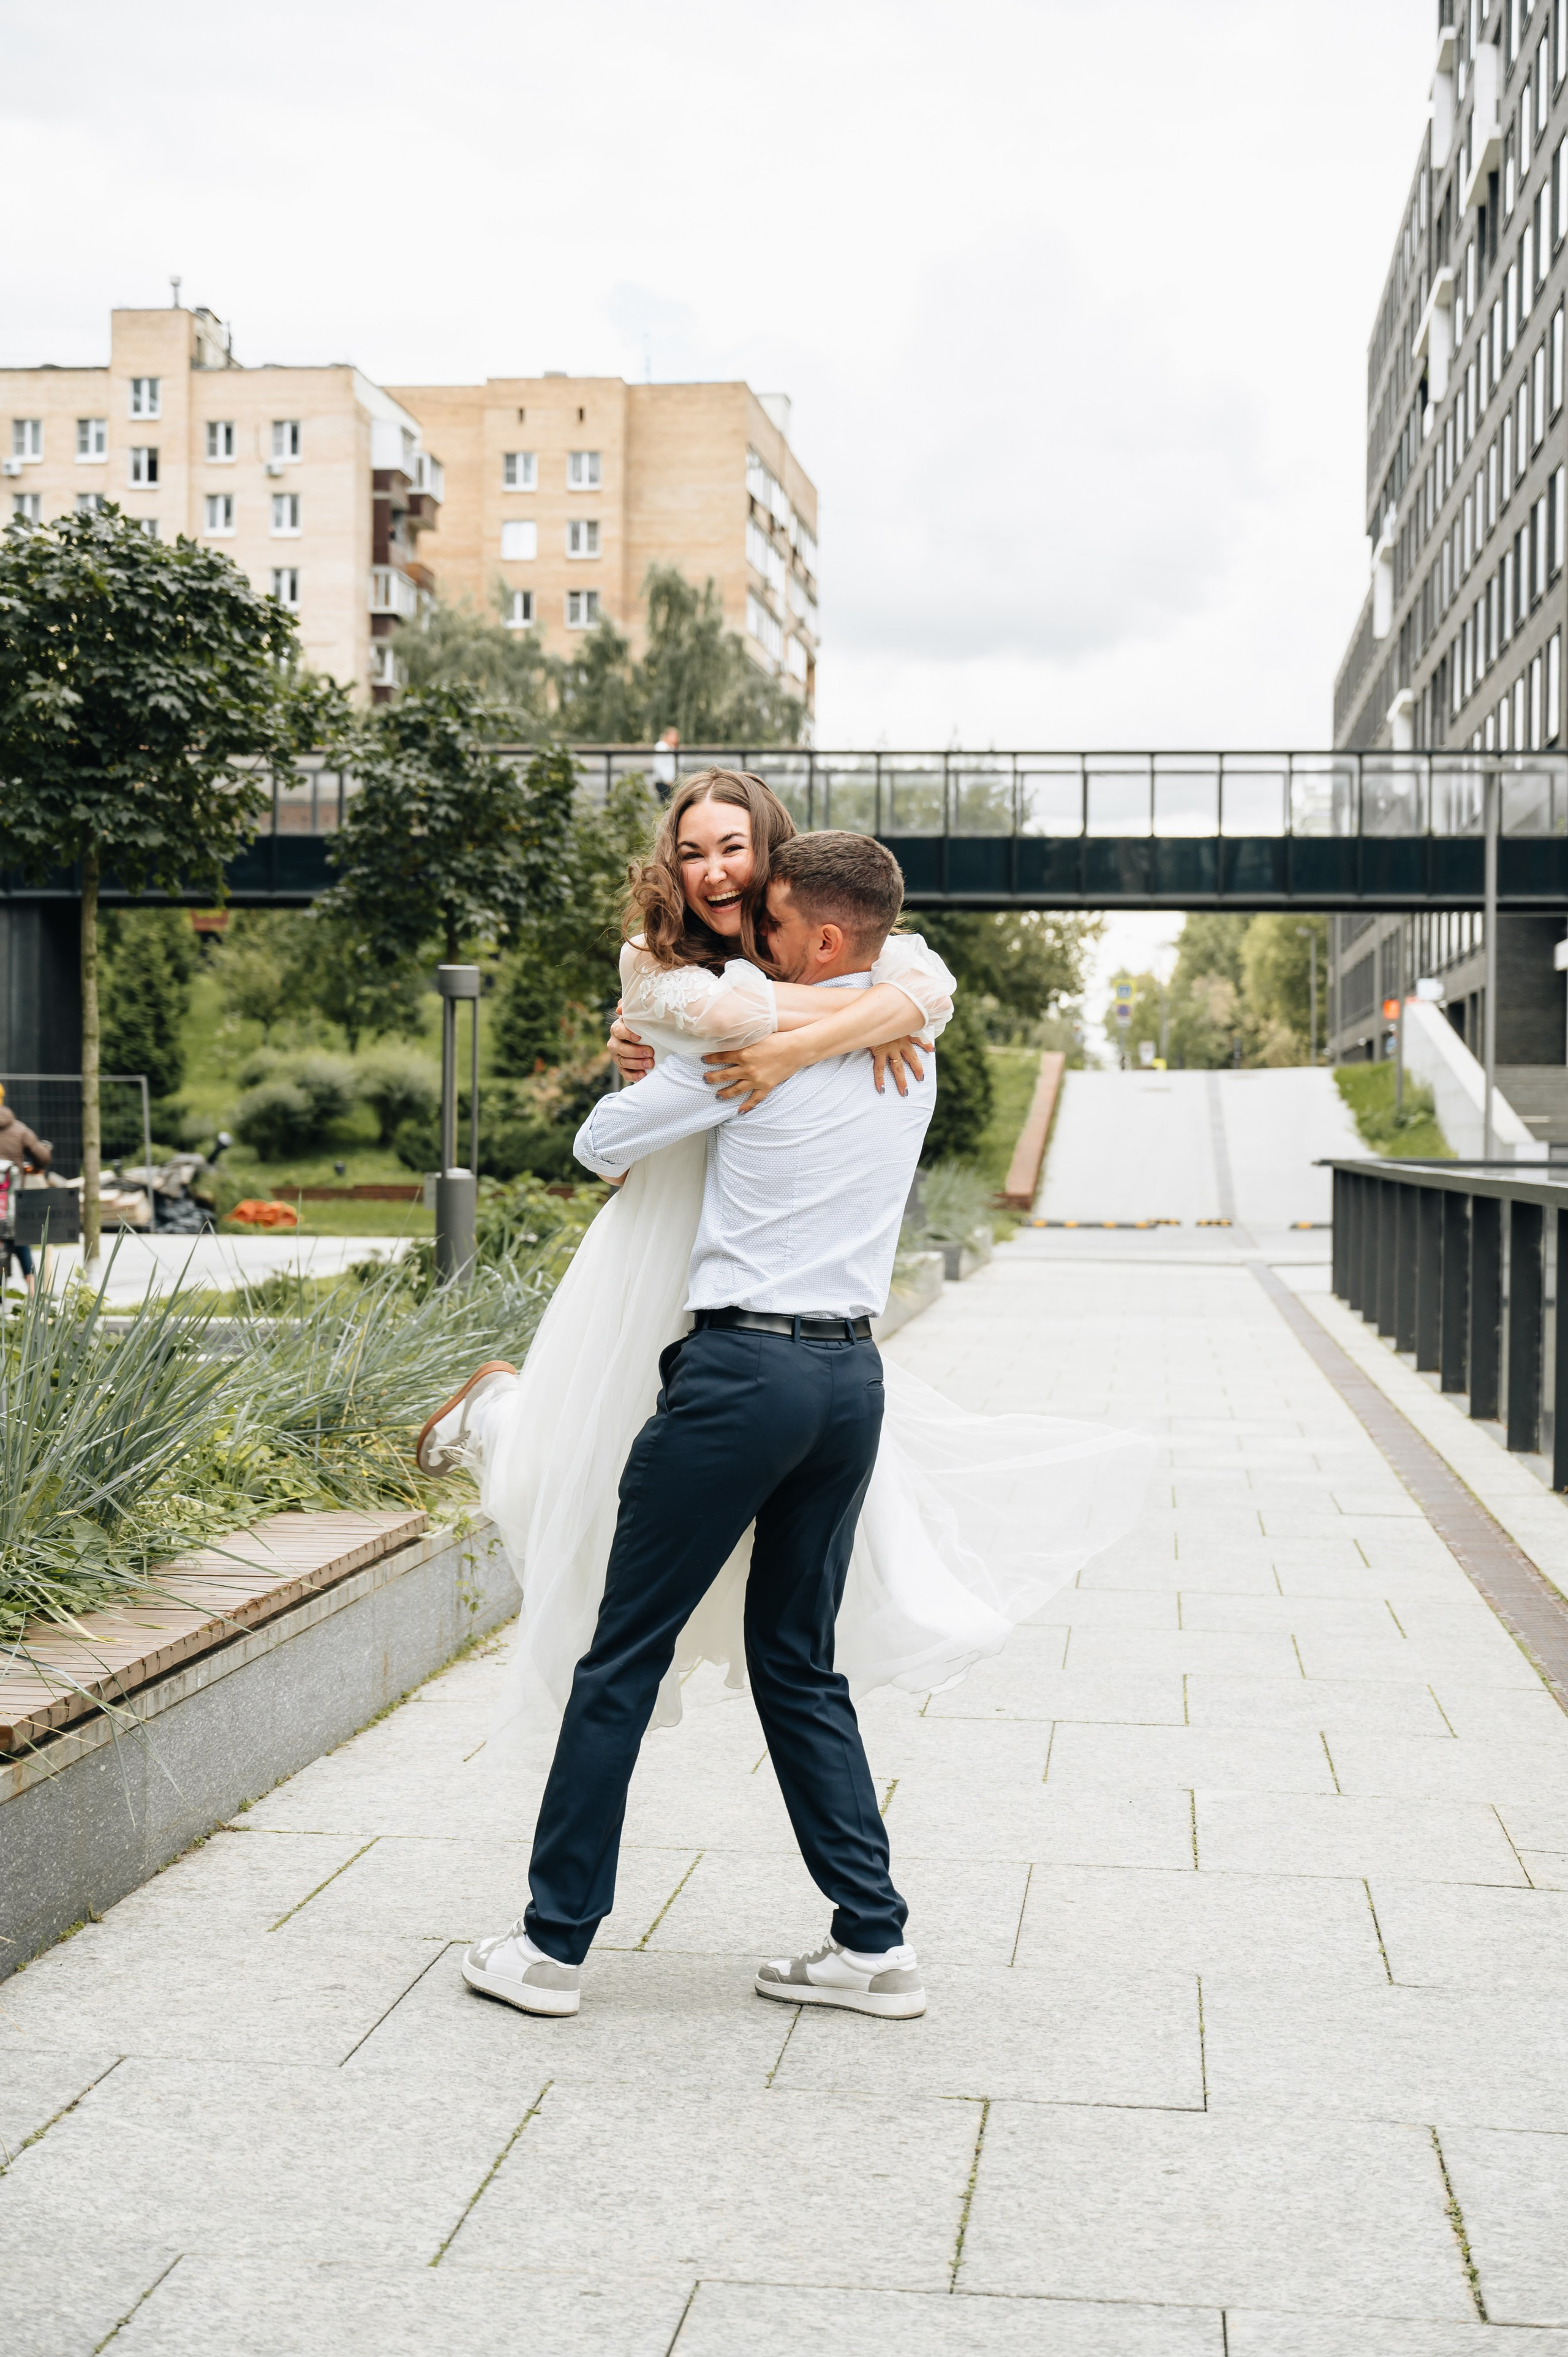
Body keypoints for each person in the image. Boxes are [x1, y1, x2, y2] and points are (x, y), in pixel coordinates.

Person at [459, 832, 945, 2019]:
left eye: (770, 923)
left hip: (739, 1377)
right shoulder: (909, 1048)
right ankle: (873, 1944)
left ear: (821, 937)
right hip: (849, 1382)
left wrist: (657, 1058)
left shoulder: (743, 1057)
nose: (752, 946)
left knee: (621, 1651)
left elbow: (599, 1146)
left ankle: (550, 1947)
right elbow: (916, 984)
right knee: (798, 1662)